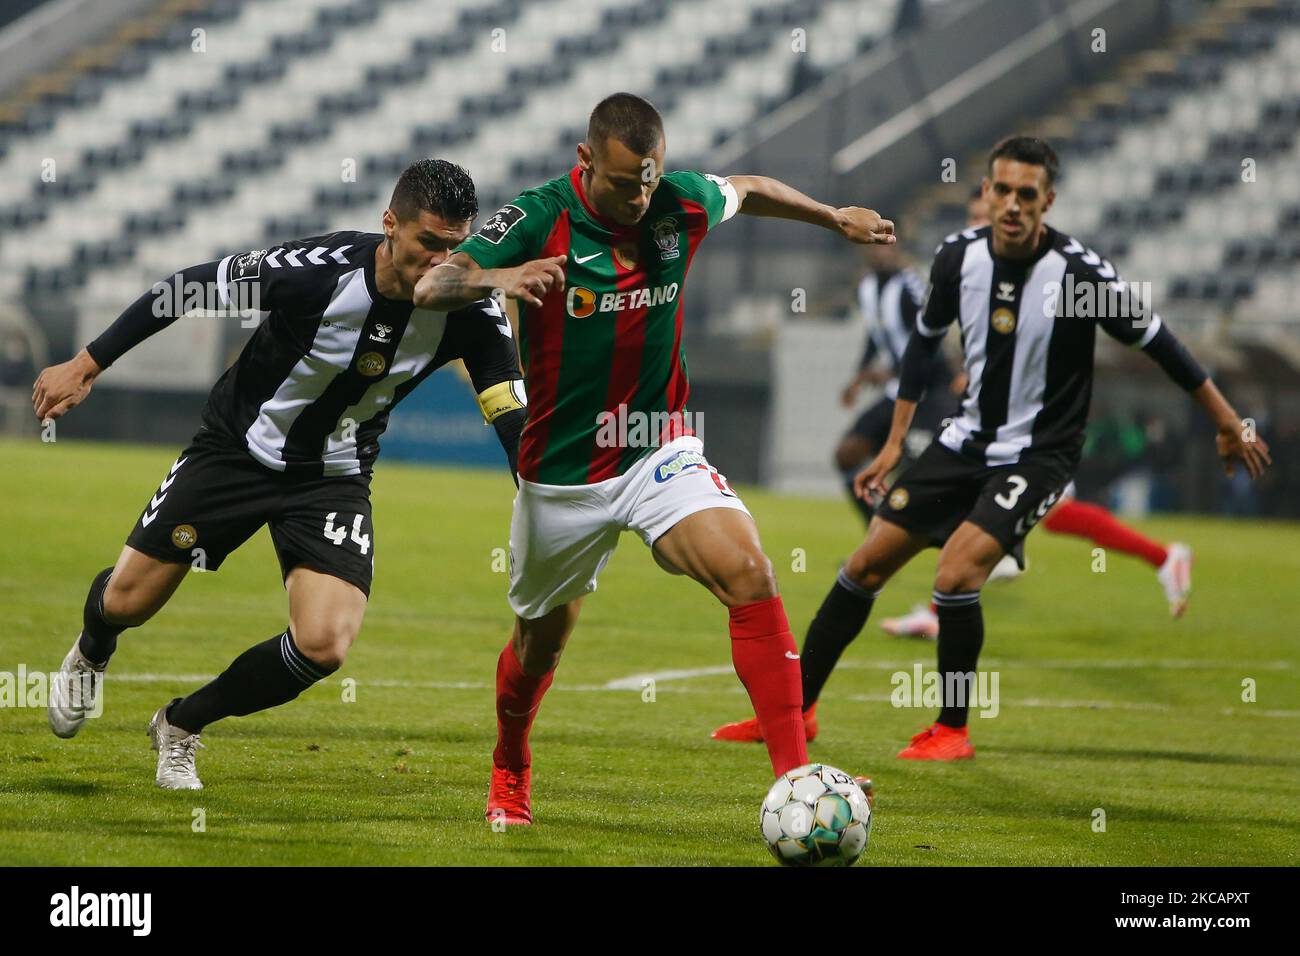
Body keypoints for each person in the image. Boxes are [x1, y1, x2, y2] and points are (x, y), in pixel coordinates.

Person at [414, 92, 896, 824]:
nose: (641, 196)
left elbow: (754, 188)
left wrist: (834, 217)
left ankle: (798, 779)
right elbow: (431, 284)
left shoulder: (680, 201)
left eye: (649, 177)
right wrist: (495, 278)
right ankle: (511, 761)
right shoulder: (539, 216)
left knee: (750, 571)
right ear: (585, 162)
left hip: (654, 450)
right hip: (561, 478)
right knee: (540, 647)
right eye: (623, 181)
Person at [712, 136, 1269, 762]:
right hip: (964, 440)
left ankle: (952, 730)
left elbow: (1161, 344)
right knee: (863, 567)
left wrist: (1228, 421)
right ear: (985, 193)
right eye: (999, 190)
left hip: (1038, 456)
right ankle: (796, 712)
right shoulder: (958, 258)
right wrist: (894, 442)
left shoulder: (1081, 276)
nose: (1010, 204)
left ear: (1047, 201)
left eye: (1026, 195)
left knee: (955, 573)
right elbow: (922, 352)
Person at [33, 160, 532, 790]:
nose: (441, 262)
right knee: (126, 602)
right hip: (236, 452)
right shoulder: (320, 271)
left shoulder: (473, 309)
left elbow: (508, 409)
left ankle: (182, 724)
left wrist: (537, 494)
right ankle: (92, 650)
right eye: (428, 243)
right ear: (390, 226)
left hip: (334, 475)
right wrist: (87, 362)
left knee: (325, 643)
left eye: (455, 248)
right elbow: (192, 285)